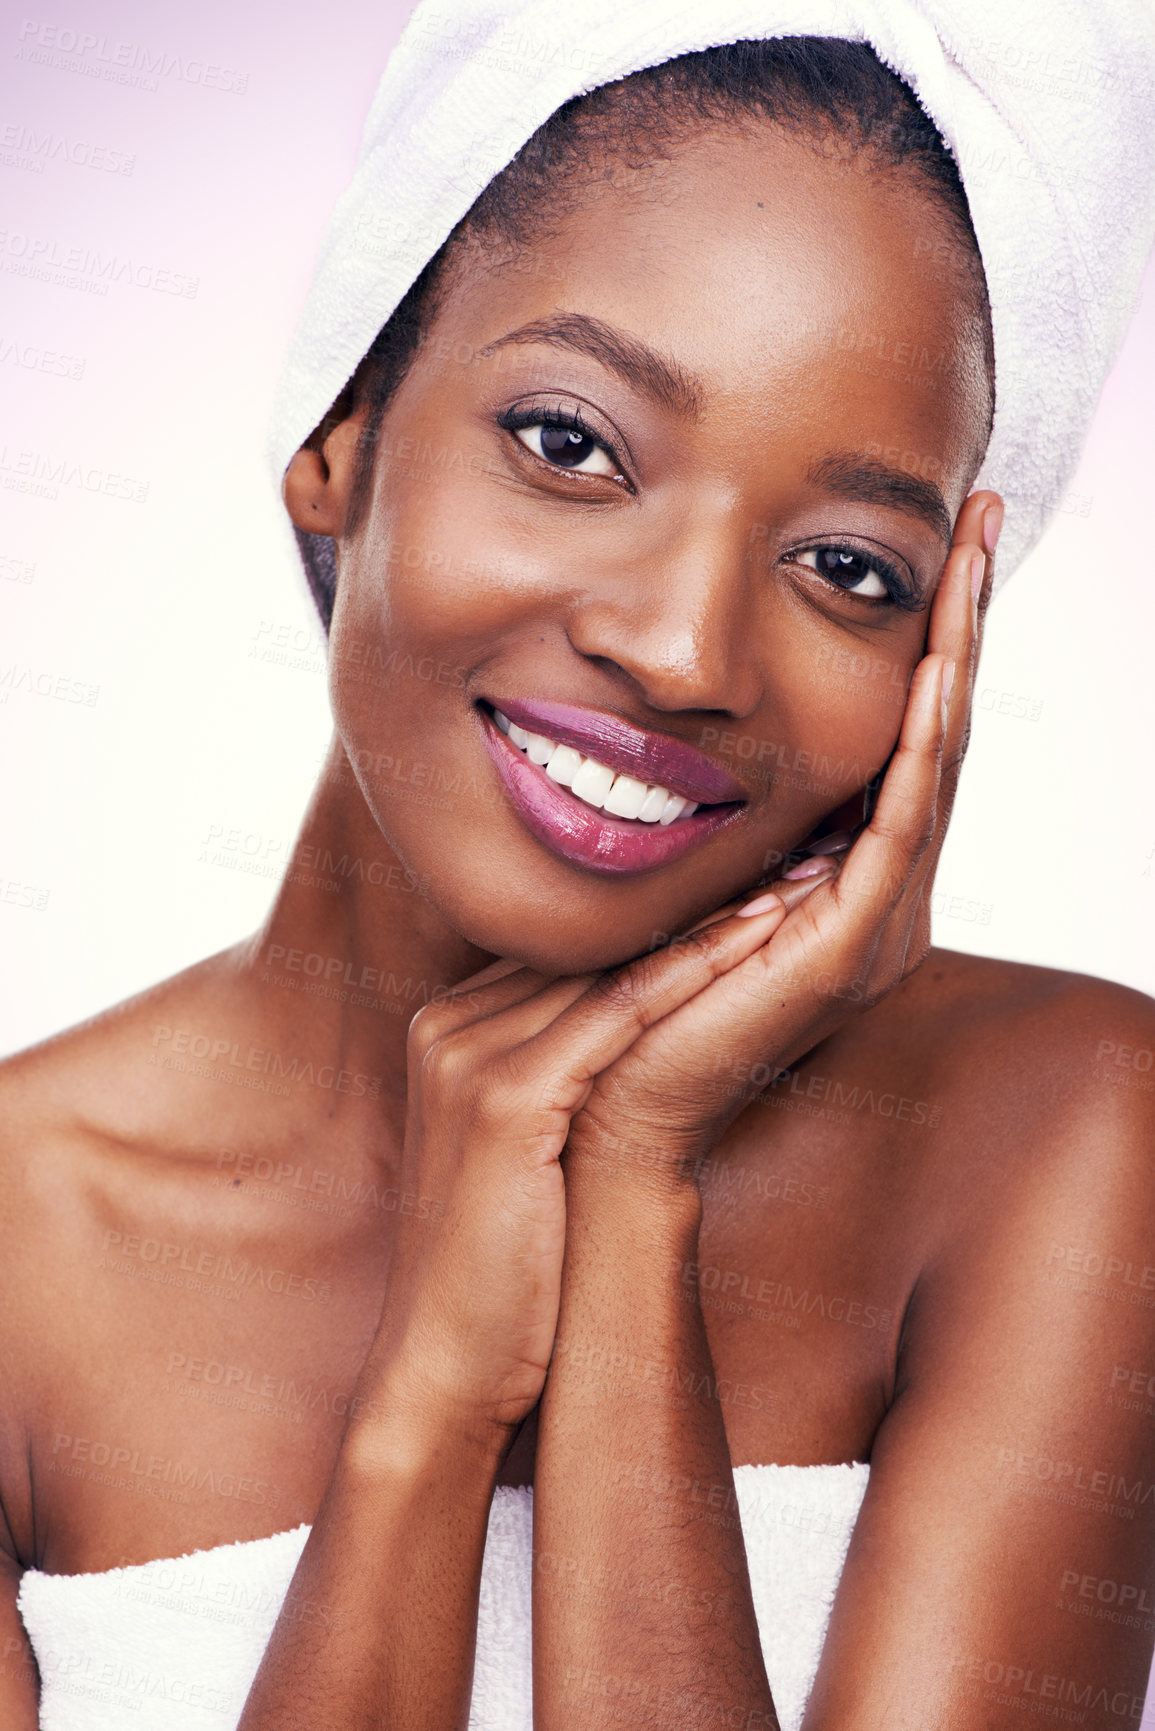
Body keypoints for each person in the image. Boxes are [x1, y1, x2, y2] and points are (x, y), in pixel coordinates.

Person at [3, 16, 1155, 1731]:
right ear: (339, 440)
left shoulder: (1061, 1136)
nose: (686, 646)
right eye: (570, 445)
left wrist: (630, 1191)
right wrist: (431, 1409)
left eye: (849, 565)